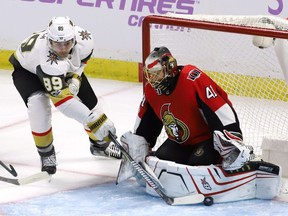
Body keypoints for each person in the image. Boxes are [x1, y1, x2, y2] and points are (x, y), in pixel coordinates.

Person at [116, 46, 255, 183]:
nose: (152, 79)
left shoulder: (192, 78)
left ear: (170, 68)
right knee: (159, 161)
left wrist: (232, 139)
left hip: (206, 141)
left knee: (197, 164)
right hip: (179, 141)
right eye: (150, 74)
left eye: (157, 73)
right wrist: (137, 146)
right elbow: (146, 125)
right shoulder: (151, 91)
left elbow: (219, 108)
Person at [9, 16, 121, 175]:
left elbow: (82, 62)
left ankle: (99, 146)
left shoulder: (85, 39)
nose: (62, 49)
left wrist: (75, 77)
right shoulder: (46, 61)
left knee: (93, 106)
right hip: (28, 72)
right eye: (57, 44)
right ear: (49, 42)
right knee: (38, 105)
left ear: (74, 39)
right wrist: (94, 121)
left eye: (67, 44)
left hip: (62, 69)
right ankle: (46, 153)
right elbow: (63, 103)